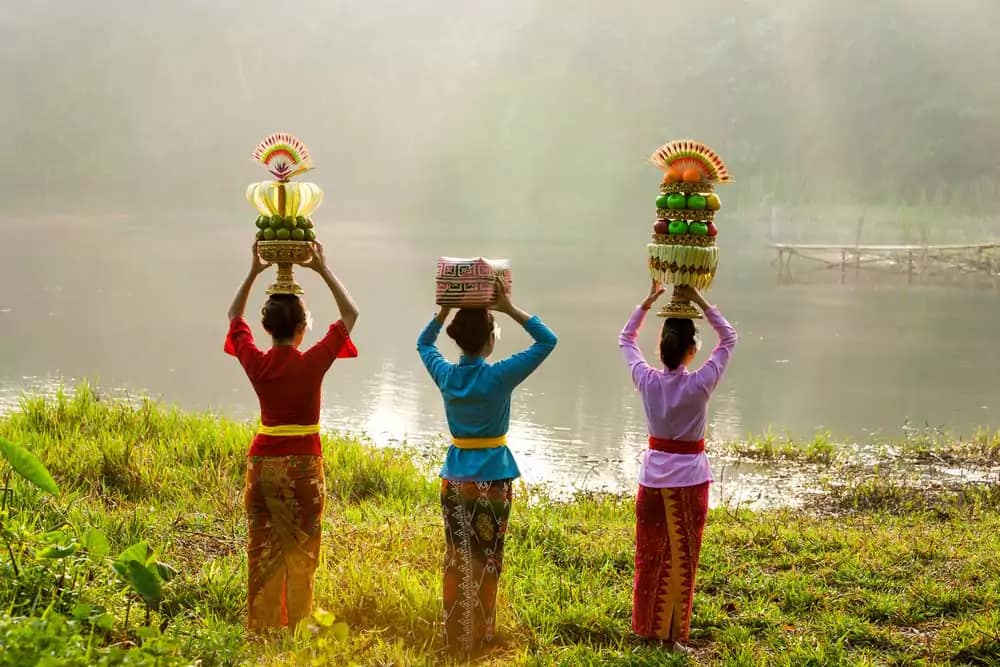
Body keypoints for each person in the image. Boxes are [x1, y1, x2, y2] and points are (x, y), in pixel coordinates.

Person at [416, 278, 557, 655]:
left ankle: (455, 637)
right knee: (487, 559)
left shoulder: (446, 374)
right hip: (493, 481)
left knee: (456, 557)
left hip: (455, 480)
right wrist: (509, 308)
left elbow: (423, 343)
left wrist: (442, 311)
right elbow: (547, 340)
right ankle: (479, 637)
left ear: (458, 339)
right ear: (491, 339)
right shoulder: (498, 375)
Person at [224, 241, 359, 632]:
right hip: (302, 467)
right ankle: (298, 631)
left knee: (261, 550)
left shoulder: (257, 362)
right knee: (301, 552)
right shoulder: (312, 362)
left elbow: (234, 315)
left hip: (261, 465)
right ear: (302, 328)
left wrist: (253, 271)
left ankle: (263, 633)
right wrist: (322, 268)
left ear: (266, 327)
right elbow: (351, 313)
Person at [618, 282, 737, 652]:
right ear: (691, 350)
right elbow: (729, 338)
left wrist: (647, 301)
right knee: (681, 560)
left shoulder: (646, 380)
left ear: (661, 349)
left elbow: (625, 339)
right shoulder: (701, 383)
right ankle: (671, 639)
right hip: (689, 480)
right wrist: (699, 300)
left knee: (650, 557)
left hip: (652, 481)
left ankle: (646, 632)